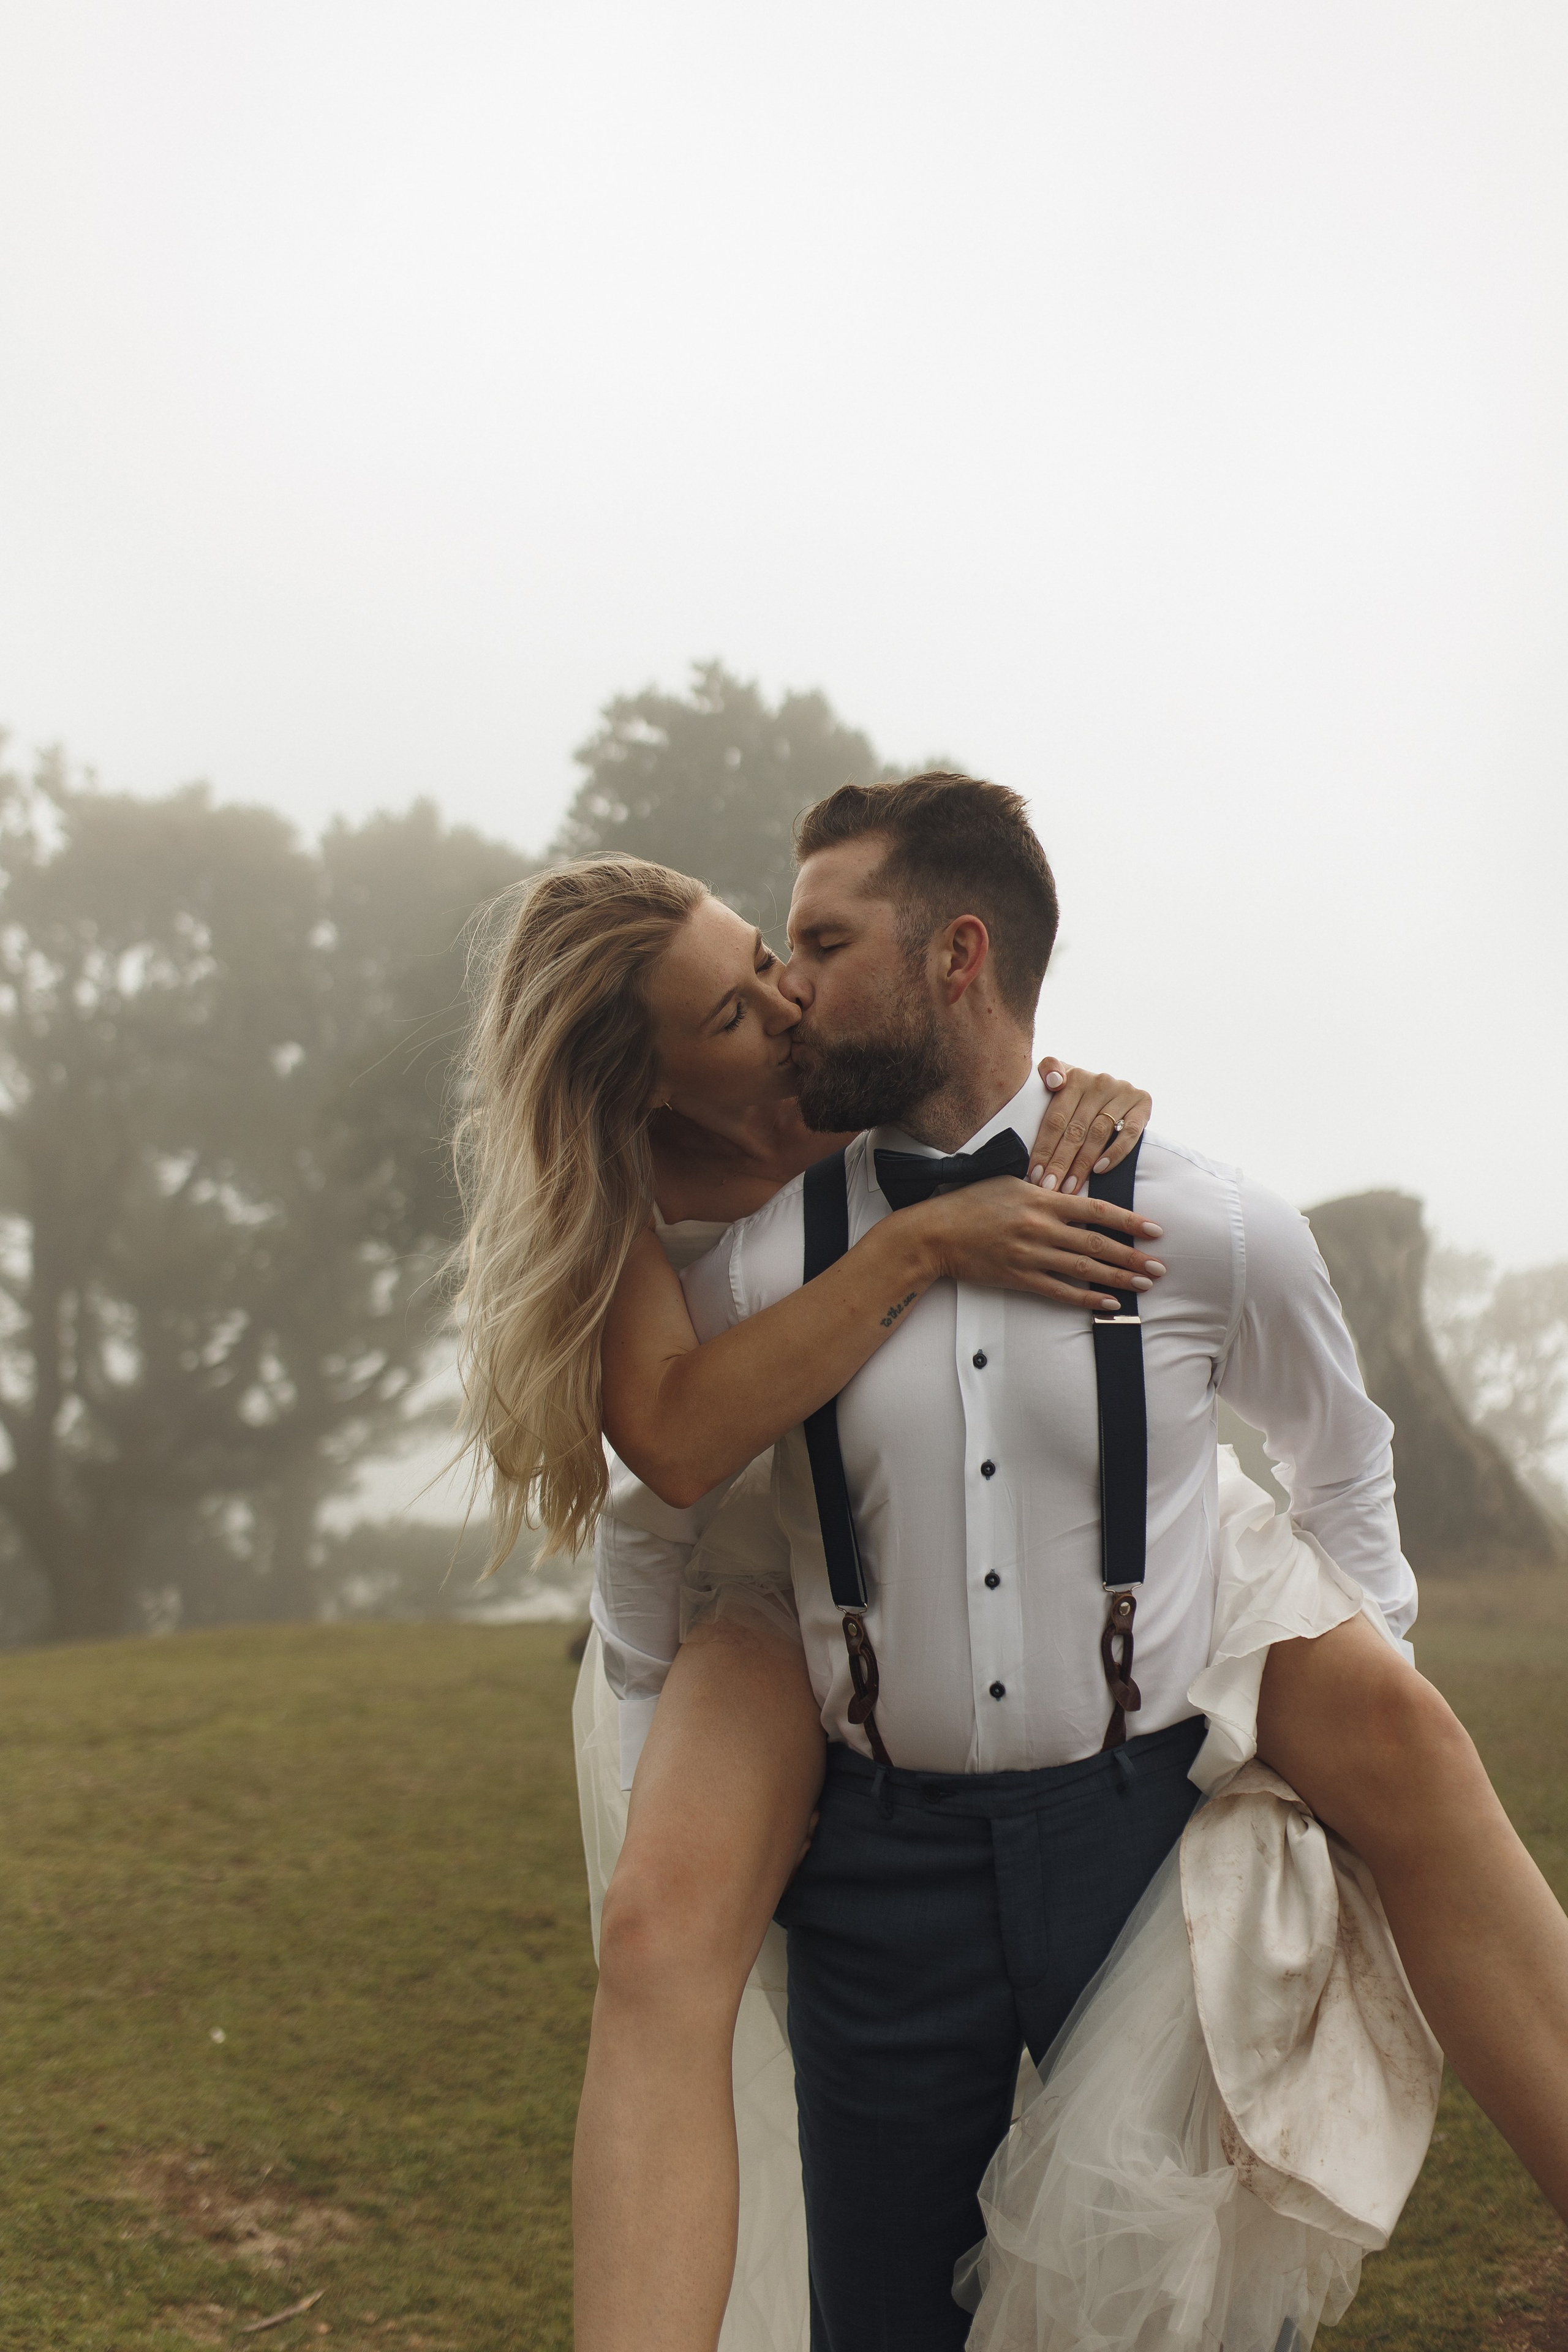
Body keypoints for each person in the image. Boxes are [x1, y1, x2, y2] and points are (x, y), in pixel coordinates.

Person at [450, 789, 1568, 2352]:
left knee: (1408, 1751)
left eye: (792, 948)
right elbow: (671, 1483)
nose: (785, 992)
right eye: (746, 991)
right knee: (761, 2105)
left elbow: (1329, 1449)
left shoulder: (1121, 1179)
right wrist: (920, 1245)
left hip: (1123, 1651)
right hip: (824, 1668)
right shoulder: (691, 1224)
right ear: (652, 1075)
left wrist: (1080, 1104)